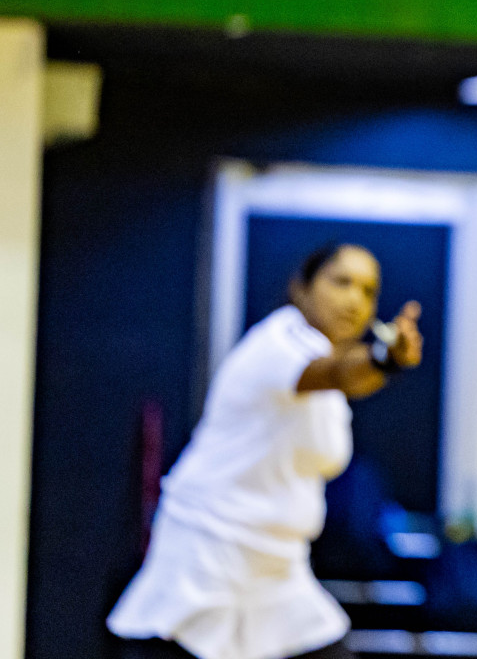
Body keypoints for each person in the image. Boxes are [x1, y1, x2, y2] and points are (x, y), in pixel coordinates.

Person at [109, 243, 424, 659]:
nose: (354, 300)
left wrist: (379, 364)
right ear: (301, 289)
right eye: (341, 282)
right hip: (210, 553)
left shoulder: (328, 379)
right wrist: (387, 358)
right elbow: (342, 374)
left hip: (276, 568)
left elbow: (347, 377)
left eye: (367, 291)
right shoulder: (280, 344)